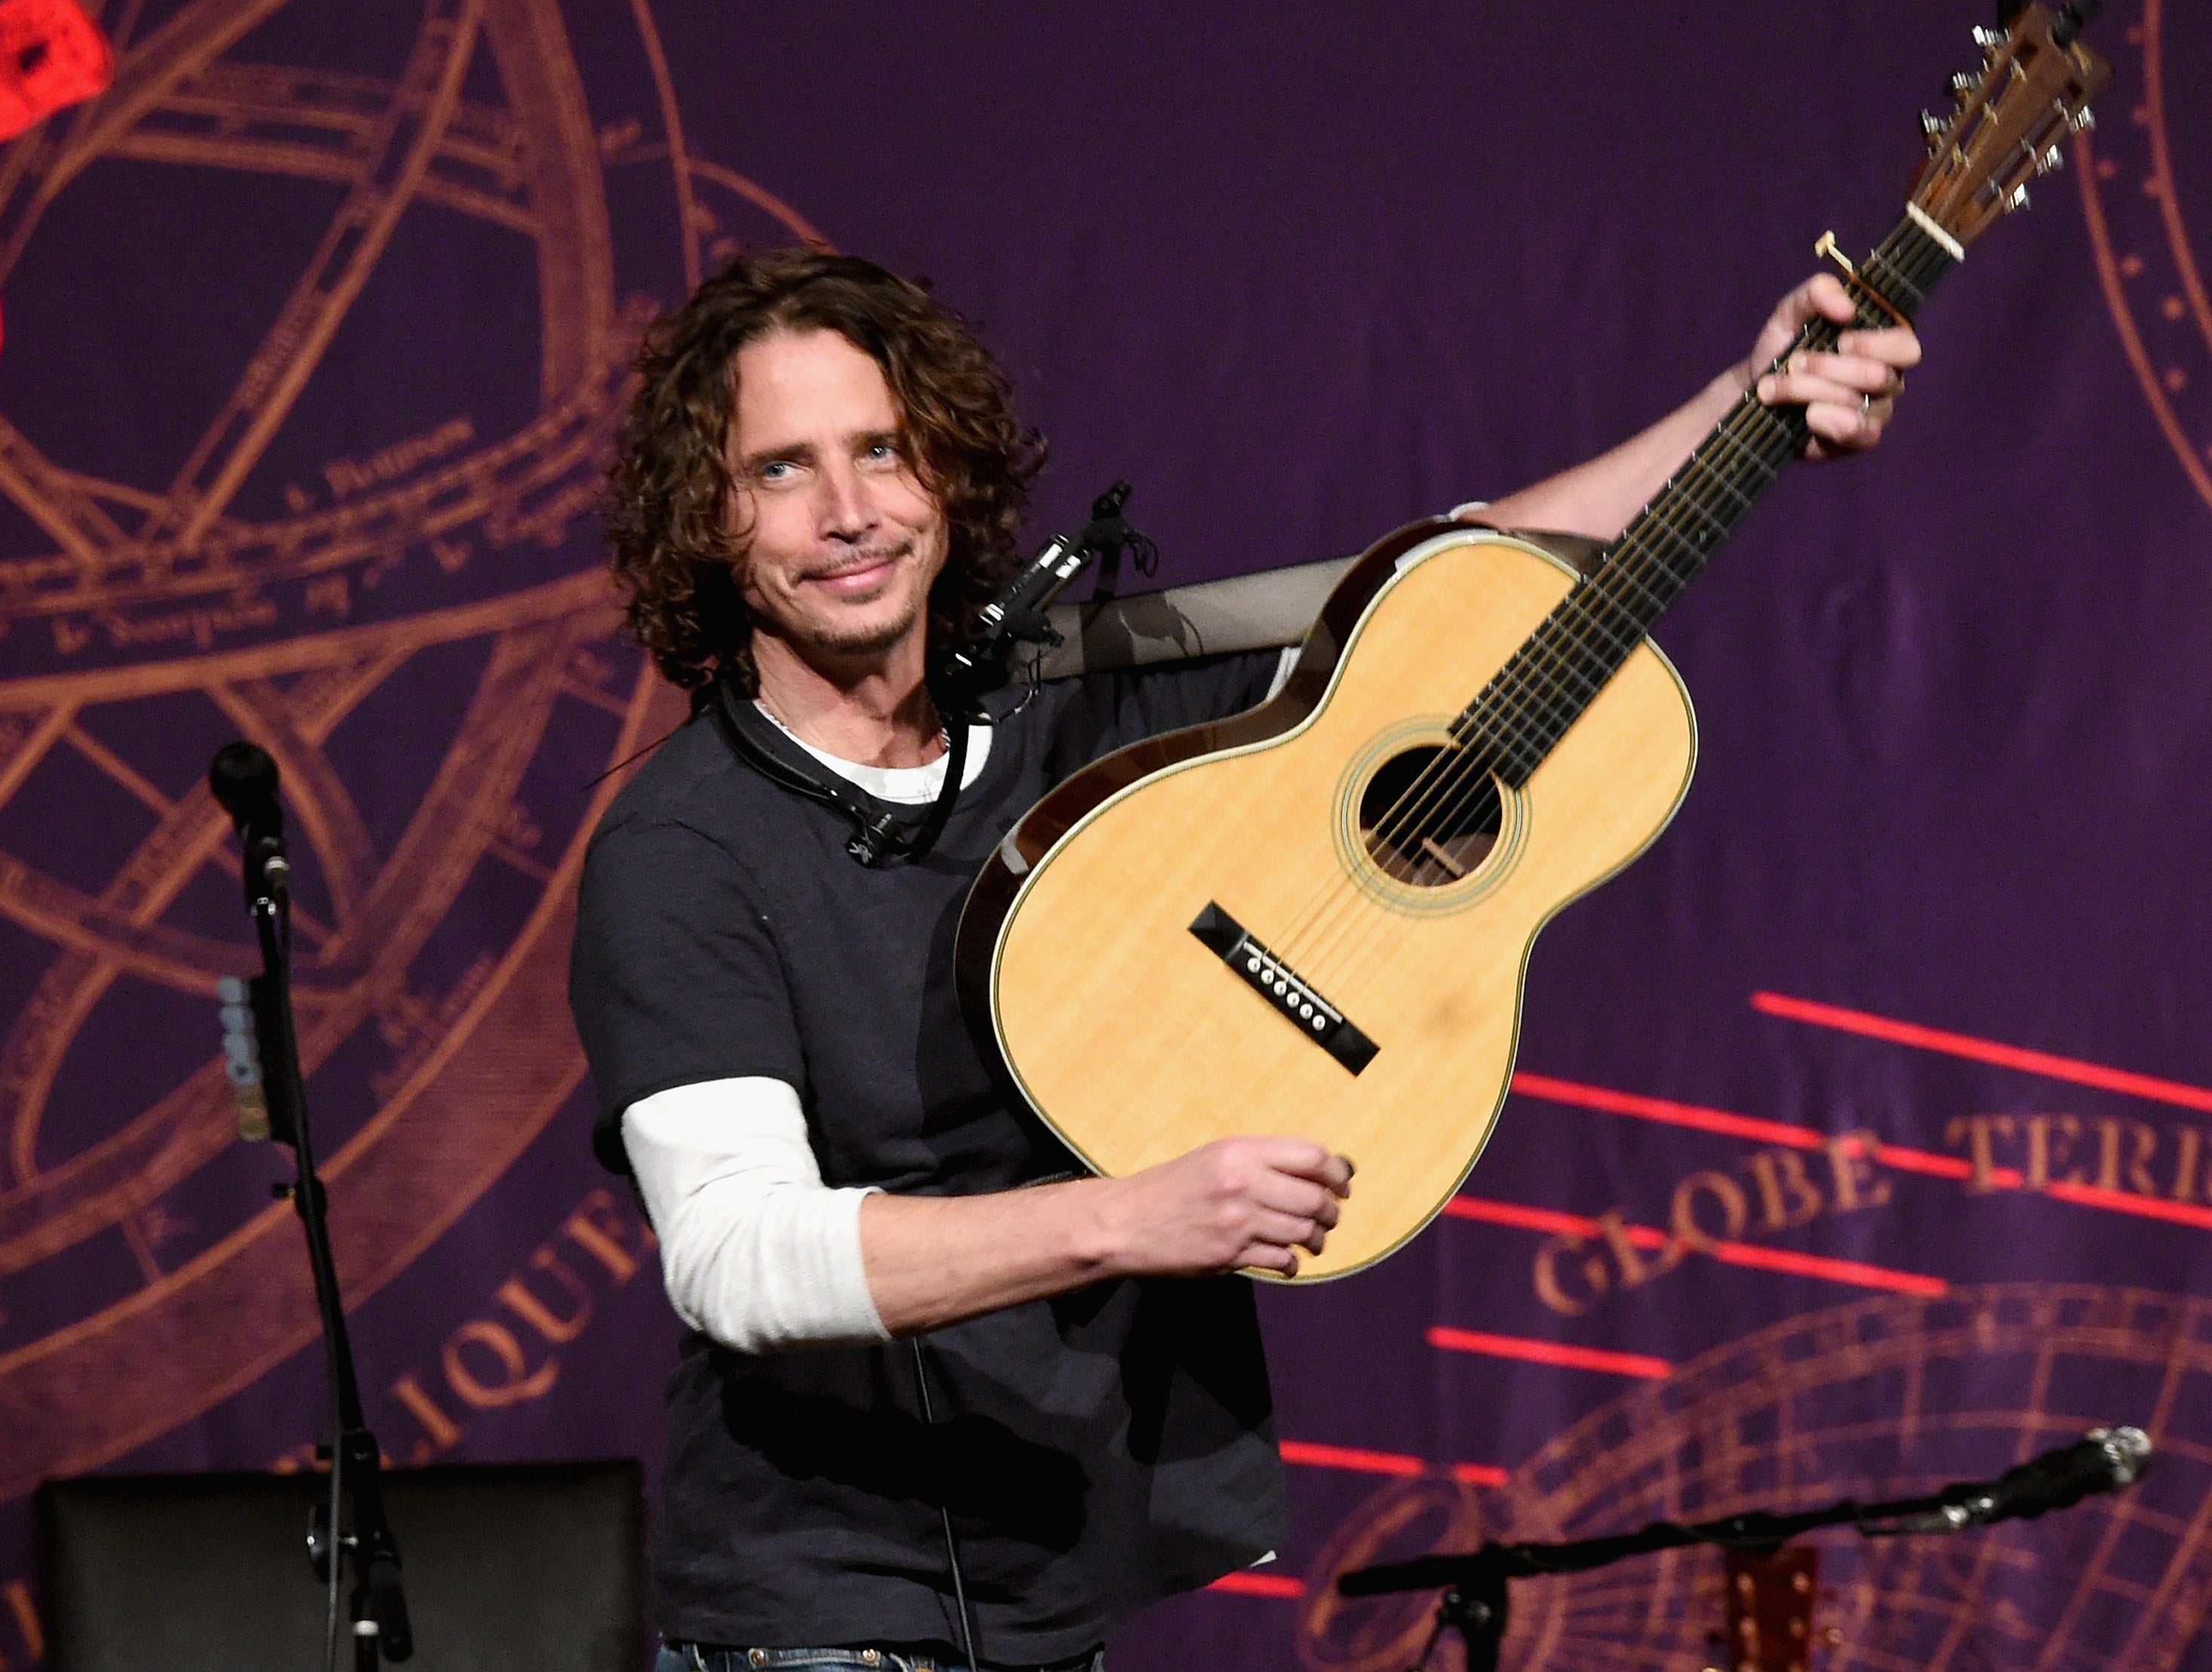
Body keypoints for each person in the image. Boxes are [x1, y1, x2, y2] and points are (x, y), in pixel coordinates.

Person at [567, 246, 1918, 1672]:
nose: (848, 512)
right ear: (706, 522)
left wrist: (1744, 405)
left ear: (942, 473)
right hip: (821, 1627)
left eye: (880, 451)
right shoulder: (681, 848)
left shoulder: (1075, 698)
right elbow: (737, 1257)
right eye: (780, 470)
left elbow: (1447, 594)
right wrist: (1127, 1218)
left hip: (1060, 1596)